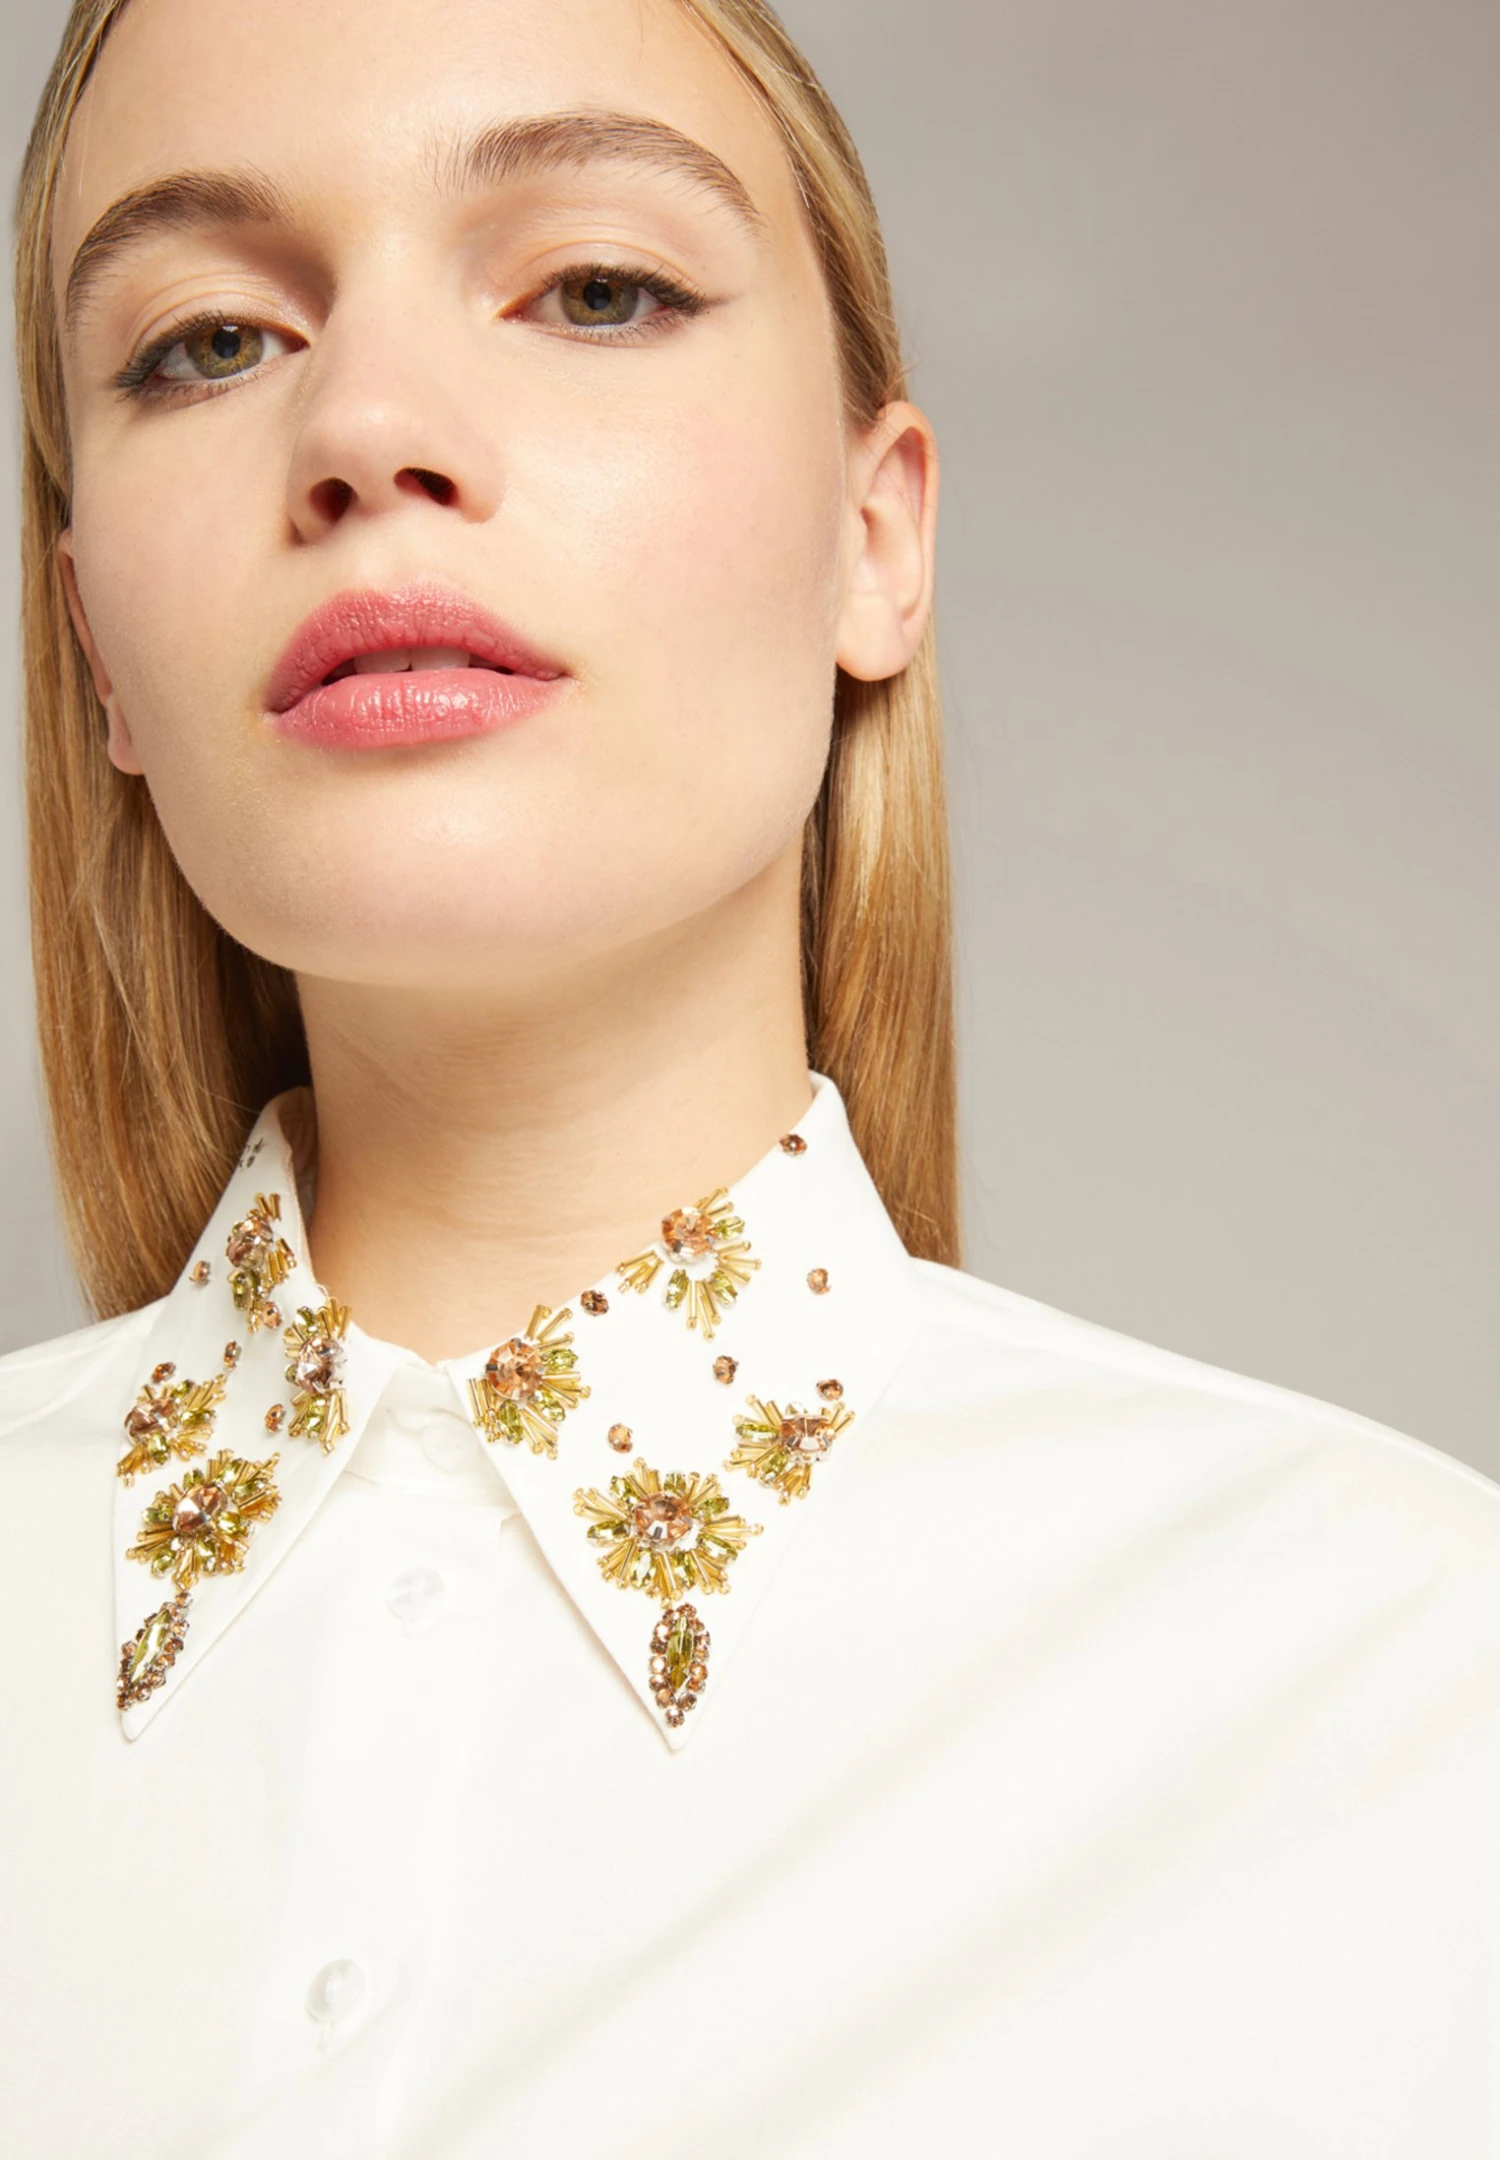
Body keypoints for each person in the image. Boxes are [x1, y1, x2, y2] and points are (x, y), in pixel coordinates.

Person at [3, 0, 1497, 2152]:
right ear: (94, 654)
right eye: (208, 342)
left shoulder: (1406, 1698)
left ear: (876, 539)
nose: (369, 428)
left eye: (596, 289)